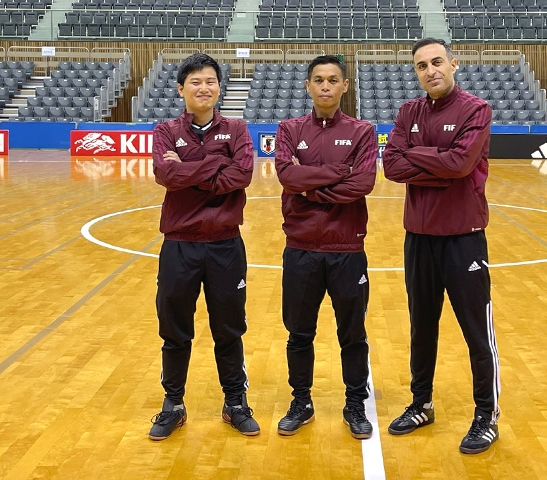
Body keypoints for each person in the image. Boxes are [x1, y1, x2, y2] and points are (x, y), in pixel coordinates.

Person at [382, 38, 500, 454]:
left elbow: (462, 164)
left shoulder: (476, 109)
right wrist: (439, 159)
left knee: (475, 332)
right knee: (422, 326)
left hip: (464, 238)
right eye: (420, 66)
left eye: (436, 62)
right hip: (418, 237)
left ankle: (486, 416)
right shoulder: (408, 111)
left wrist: (419, 155)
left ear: (453, 63)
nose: (429, 70)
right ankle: (421, 403)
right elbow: (392, 165)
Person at [149, 53, 259, 440]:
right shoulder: (164, 129)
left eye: (210, 81)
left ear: (219, 88)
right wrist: (215, 163)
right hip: (179, 244)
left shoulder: (238, 129)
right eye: (195, 82)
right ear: (181, 89)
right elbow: (166, 173)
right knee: (175, 328)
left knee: (229, 328)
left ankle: (235, 403)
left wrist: (189, 165)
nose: (203, 87)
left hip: (225, 244)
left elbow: (242, 173)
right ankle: (173, 404)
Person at [274, 55, 378, 439]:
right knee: (299, 332)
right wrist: (338, 174)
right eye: (318, 80)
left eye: (333, 80)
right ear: (307, 86)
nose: (325, 86)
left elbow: (363, 183)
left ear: (344, 86)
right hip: (300, 246)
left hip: (347, 248)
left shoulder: (362, 131)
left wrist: (308, 185)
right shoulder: (288, 128)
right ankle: (301, 401)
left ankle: (355, 403)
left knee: (352, 334)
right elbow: (286, 175)